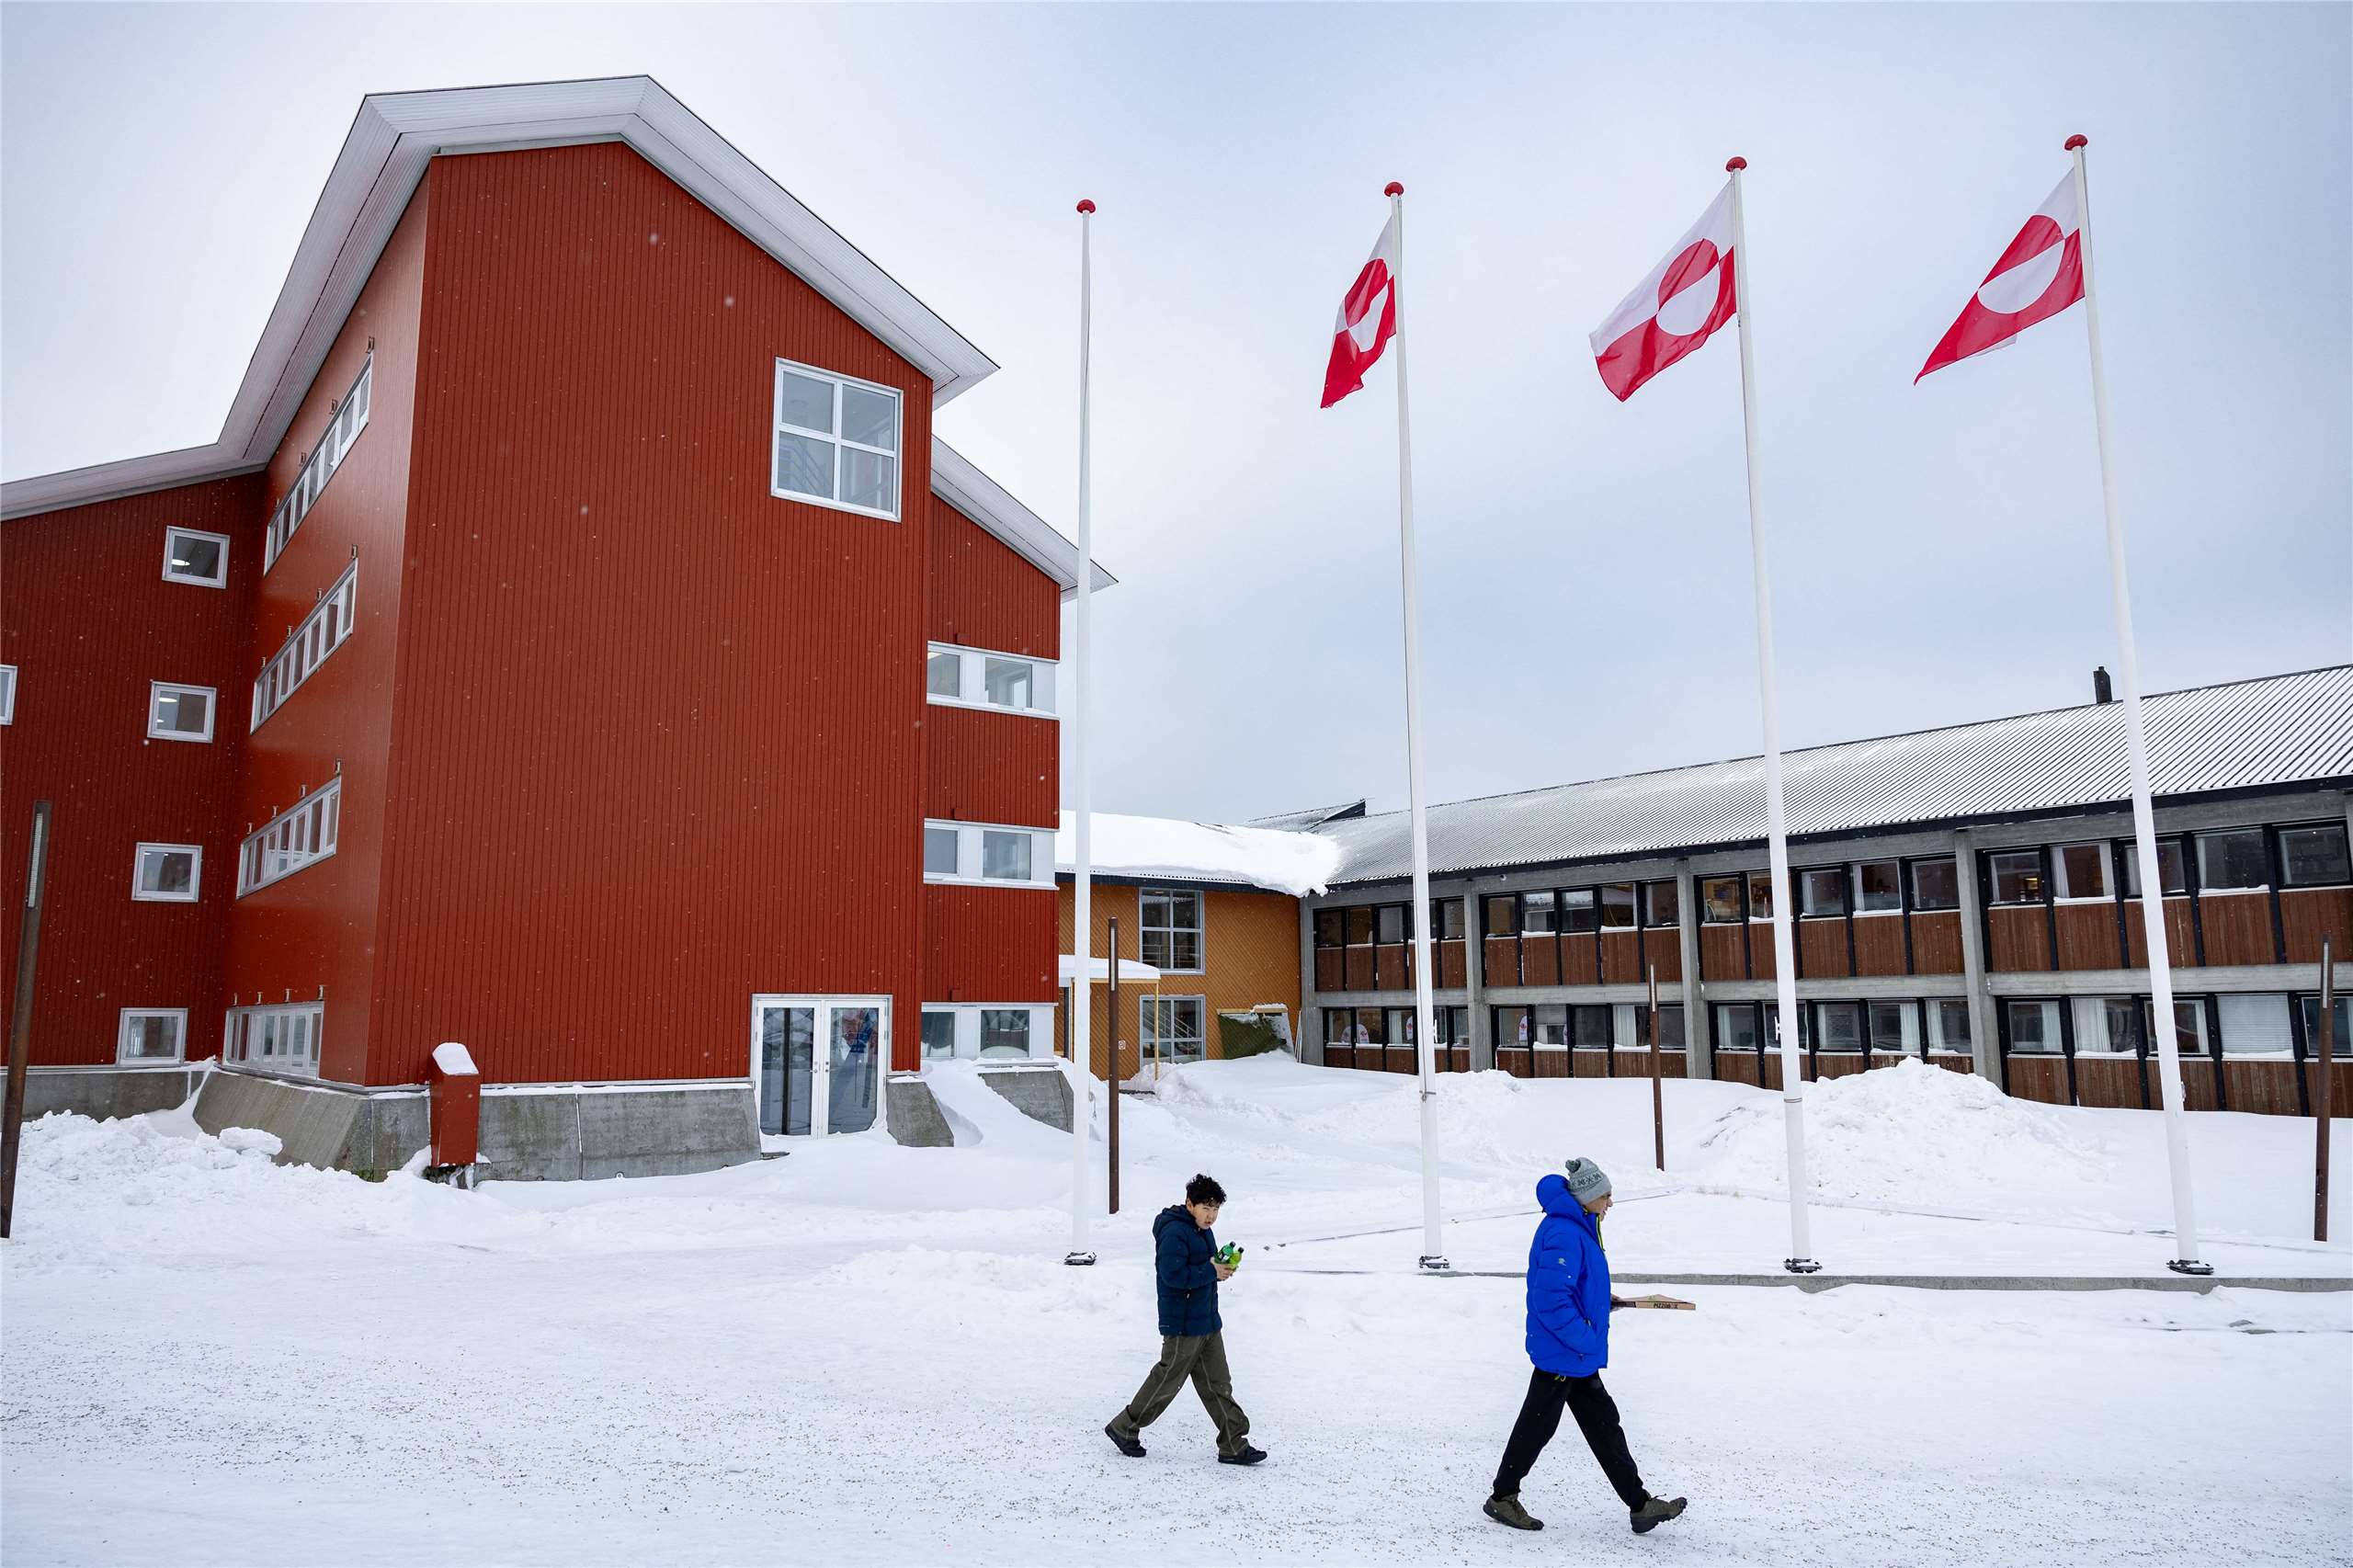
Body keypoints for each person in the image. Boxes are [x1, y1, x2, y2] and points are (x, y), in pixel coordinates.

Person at [1483, 1157, 1685, 1536]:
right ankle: (1502, 1497)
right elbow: (1551, 1300)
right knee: (1536, 1427)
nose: (1610, 1203)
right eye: (1606, 1195)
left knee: (1605, 1427)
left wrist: (1599, 1301)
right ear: (1588, 1196)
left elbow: (1571, 1287)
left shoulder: (1578, 1227)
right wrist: (1585, 1336)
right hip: (1565, 1351)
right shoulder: (1563, 1231)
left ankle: (1640, 1505)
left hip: (1575, 1352)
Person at [1103, 1173, 1266, 1466]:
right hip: (1183, 1324)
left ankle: (1233, 1443)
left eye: (1216, 1209)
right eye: (1206, 1208)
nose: (1211, 1215)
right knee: (1166, 1380)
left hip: (1207, 1320)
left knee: (1219, 1384)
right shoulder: (1174, 1232)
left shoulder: (1203, 1230)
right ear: (1189, 1204)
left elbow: (1203, 1267)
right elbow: (1173, 1275)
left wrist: (1220, 1269)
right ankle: (1124, 1426)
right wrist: (1211, 1271)